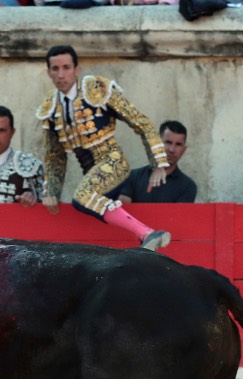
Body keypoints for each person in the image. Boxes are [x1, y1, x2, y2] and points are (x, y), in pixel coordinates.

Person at [36, 45, 172, 251]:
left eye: (66, 67)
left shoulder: (97, 90)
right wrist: (52, 191)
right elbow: (55, 156)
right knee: (85, 199)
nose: (61, 74)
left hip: (114, 161)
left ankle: (148, 233)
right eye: (55, 69)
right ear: (48, 73)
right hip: (91, 172)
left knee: (82, 197)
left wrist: (158, 163)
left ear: (77, 69)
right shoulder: (50, 107)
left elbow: (140, 122)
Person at [118, 120, 197, 203]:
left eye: (178, 144)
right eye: (168, 142)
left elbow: (178, 215)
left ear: (183, 150)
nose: (172, 149)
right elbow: (124, 211)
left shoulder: (187, 186)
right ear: (157, 144)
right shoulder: (133, 177)